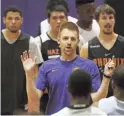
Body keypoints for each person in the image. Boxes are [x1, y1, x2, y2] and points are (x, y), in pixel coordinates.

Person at [21, 22, 114, 115]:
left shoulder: (90, 66)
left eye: (73, 39)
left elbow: (96, 98)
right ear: (58, 40)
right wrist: (29, 75)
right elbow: (34, 98)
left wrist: (106, 77)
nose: (69, 42)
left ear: (78, 41)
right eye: (65, 38)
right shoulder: (46, 66)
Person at [1, 6, 42, 115]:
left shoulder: (31, 42)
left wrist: (33, 101)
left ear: (22, 21)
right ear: (4, 20)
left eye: (17, 18)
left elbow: (36, 74)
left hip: (22, 103)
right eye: (10, 18)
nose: (13, 22)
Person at [80, 4, 124, 96]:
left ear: (114, 20)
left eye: (111, 17)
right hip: (98, 100)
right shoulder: (86, 48)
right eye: (104, 18)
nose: (108, 21)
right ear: (97, 21)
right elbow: (83, 80)